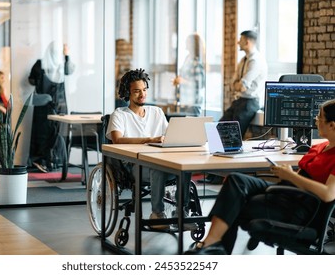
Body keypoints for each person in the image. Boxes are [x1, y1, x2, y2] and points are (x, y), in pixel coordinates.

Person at [185, 99, 335, 255]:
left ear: (332, 125)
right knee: (235, 180)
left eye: (320, 117)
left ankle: (211, 246)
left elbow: (328, 194)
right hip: (289, 191)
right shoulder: (320, 146)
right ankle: (213, 244)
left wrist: (291, 176)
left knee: (234, 201)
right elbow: (303, 176)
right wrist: (288, 175)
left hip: (300, 206)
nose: (316, 119)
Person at [106, 68, 197, 230]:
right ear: (127, 93)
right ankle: (157, 214)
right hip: (133, 166)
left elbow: (170, 136)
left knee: (185, 166)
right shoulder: (119, 115)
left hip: (158, 162)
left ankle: (180, 213)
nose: (142, 94)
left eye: (144, 90)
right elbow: (117, 140)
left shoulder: (156, 112)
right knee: (158, 167)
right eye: (136, 91)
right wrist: (150, 140)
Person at [28, 41, 75, 172]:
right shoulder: (57, 65)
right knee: (50, 132)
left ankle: (48, 160)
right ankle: (47, 160)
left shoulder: (44, 64)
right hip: (54, 104)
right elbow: (69, 70)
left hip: (49, 104)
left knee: (51, 132)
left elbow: (31, 80)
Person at [219, 30, 267, 138]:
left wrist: (238, 85)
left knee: (234, 136)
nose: (237, 42)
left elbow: (242, 86)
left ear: (247, 42)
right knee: (219, 129)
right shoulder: (243, 60)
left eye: (240, 40)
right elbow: (233, 84)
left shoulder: (256, 61)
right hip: (239, 100)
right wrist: (237, 85)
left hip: (250, 103)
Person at [172, 33, 206, 116]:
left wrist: (183, 81)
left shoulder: (197, 61)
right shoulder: (188, 58)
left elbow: (199, 84)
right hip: (184, 101)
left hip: (193, 103)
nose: (185, 44)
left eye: (188, 42)